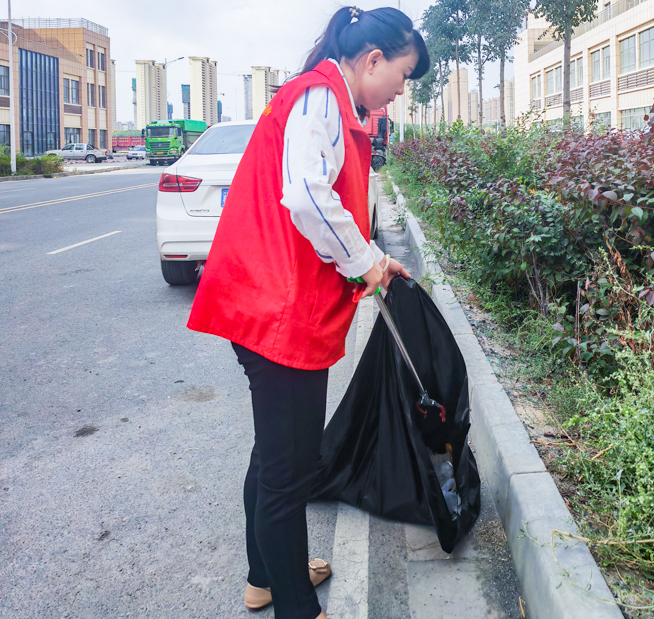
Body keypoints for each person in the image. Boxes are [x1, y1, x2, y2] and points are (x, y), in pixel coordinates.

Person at [187, 6, 429, 619]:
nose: (399, 93)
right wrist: (369, 266)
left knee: (274, 457)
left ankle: (267, 575)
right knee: (288, 471)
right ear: (373, 60)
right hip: (277, 312)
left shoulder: (337, 106)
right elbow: (307, 197)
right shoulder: (320, 98)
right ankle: (297, 605)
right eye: (400, 78)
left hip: (271, 304)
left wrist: (375, 260)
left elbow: (333, 205)